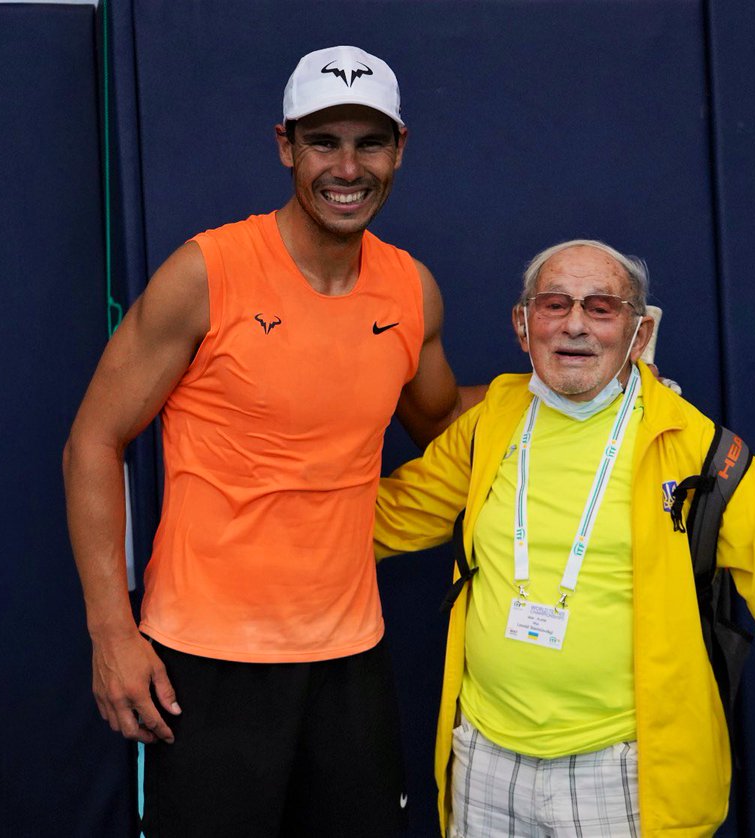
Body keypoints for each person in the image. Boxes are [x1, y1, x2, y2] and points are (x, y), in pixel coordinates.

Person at [63, 45, 480, 836]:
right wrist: (111, 631)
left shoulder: (409, 288)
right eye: (324, 142)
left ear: (400, 149)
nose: (347, 167)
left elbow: (436, 420)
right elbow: (93, 440)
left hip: (351, 656)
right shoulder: (208, 272)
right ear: (286, 146)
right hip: (207, 659)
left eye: (370, 142)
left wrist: (568, 384)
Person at [372, 240, 755, 837]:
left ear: (639, 330)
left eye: (601, 307)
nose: (575, 323)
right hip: (485, 761)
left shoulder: (696, 451)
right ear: (523, 326)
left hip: (625, 772)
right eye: (554, 304)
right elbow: (383, 520)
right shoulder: (489, 424)